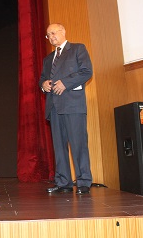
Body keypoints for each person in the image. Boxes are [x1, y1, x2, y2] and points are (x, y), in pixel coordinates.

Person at [39, 23, 93, 195]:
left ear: (63, 31)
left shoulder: (77, 49)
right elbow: (42, 78)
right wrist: (43, 85)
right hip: (54, 106)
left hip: (73, 105)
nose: (51, 37)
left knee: (78, 144)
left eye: (54, 33)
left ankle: (83, 181)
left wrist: (66, 83)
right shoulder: (48, 59)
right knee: (59, 146)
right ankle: (63, 182)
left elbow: (86, 72)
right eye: (48, 35)